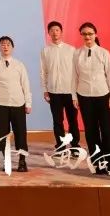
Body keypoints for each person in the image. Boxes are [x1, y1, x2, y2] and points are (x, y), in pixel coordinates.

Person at [72, 22, 110, 175]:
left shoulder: (104, 53)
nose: (87, 36)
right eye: (84, 34)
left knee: (107, 131)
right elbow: (74, 77)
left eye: (90, 33)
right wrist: (74, 96)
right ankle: (98, 164)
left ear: (95, 34)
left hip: (103, 95)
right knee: (91, 132)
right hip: (84, 96)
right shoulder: (77, 54)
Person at [0, 35, 31, 173]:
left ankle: (22, 161)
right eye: (2, 44)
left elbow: (25, 84)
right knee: (2, 134)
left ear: (12, 47)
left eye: (8, 44)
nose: (5, 46)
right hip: (0, 103)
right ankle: (6, 160)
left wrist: (28, 103)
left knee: (20, 133)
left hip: (18, 103)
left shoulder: (19, 65)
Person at [40, 20, 79, 152]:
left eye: (57, 30)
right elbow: (43, 71)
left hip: (70, 91)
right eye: (52, 30)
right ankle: (60, 146)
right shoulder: (45, 51)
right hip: (53, 91)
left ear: (61, 32)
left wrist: (76, 91)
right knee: (57, 121)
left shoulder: (71, 49)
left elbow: (76, 71)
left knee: (72, 120)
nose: (55, 33)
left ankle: (74, 146)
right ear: (48, 33)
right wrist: (45, 90)